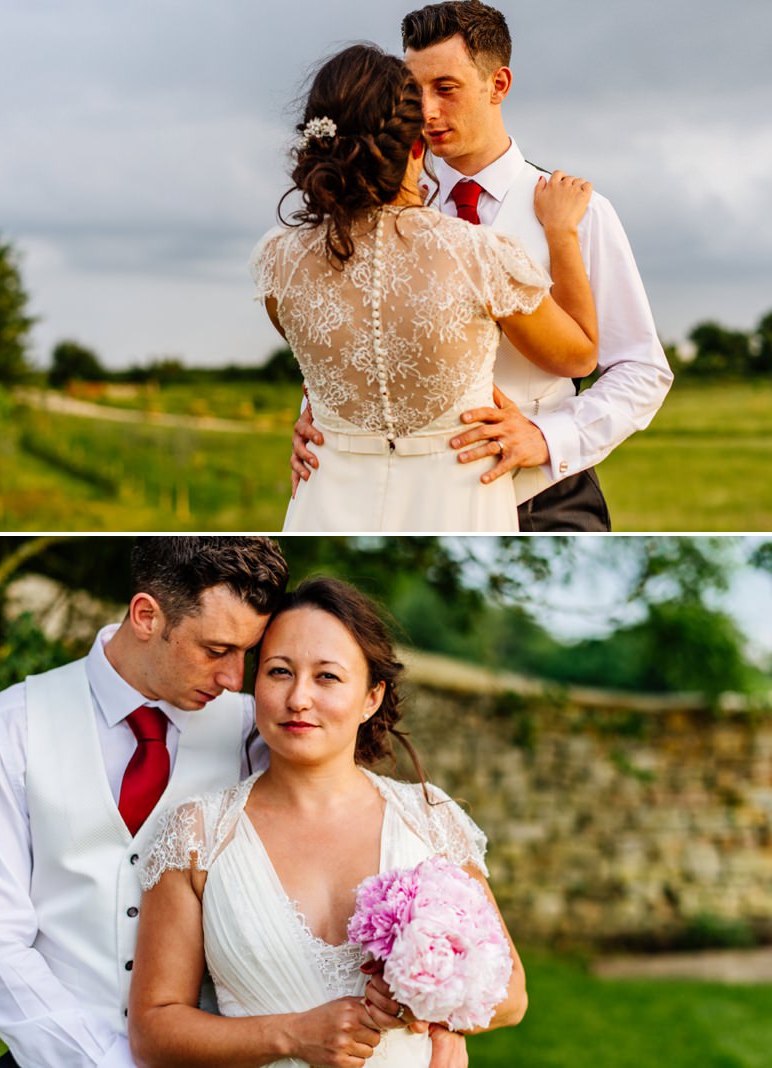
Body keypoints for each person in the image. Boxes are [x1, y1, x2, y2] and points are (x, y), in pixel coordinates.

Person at [291, 0, 674, 531]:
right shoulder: (374, 214)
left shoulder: (578, 214)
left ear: (498, 85)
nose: (424, 112)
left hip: (544, 498)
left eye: (445, 89)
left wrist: (546, 437)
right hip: (413, 502)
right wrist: (317, 417)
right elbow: (354, 332)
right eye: (412, 91)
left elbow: (641, 369)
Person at [128, 577, 525, 1067]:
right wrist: (291, 1035)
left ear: (371, 698)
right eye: (278, 672)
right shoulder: (196, 836)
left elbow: (510, 993)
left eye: (328, 677)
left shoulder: (428, 819)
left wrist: (427, 1007)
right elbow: (153, 1029)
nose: (298, 698)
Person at [253, 42, 599, 532]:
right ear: (418, 147)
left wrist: (317, 413)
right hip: (457, 497)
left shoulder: (278, 261)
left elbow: (319, 363)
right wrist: (562, 234)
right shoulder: (478, 254)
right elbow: (579, 357)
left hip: (325, 493)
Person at [0, 536, 289, 1068]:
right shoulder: (9, 727)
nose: (236, 678)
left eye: (247, 654)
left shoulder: (251, 734)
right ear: (146, 615)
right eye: (215, 650)